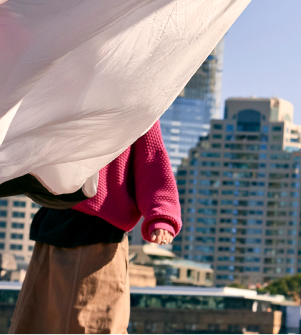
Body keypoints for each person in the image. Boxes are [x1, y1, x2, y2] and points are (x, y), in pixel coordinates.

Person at [10, 122, 180, 334]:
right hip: (54, 225)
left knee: (93, 326)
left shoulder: (137, 98)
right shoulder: (65, 91)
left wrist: (162, 215)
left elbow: (152, 159)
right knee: (34, 324)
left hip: (101, 234)